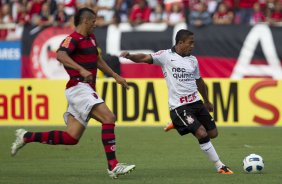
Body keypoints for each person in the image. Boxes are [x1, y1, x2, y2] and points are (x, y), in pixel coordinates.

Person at [11, 7, 135, 179]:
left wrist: (115, 75)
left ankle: (26, 136)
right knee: (109, 118)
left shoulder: (90, 38)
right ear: (85, 21)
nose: (95, 24)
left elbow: (97, 59)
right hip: (78, 87)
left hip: (86, 89)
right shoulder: (72, 39)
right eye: (93, 21)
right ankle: (113, 166)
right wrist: (80, 69)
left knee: (71, 137)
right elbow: (60, 55)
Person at [120, 29, 233, 174]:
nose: (193, 46)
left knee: (213, 133)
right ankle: (220, 166)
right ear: (180, 43)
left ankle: (177, 123)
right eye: (190, 43)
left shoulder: (193, 60)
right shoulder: (166, 56)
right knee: (202, 133)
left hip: (196, 102)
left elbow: (199, 81)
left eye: (193, 43)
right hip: (179, 106)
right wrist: (130, 56)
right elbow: (144, 57)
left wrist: (207, 100)